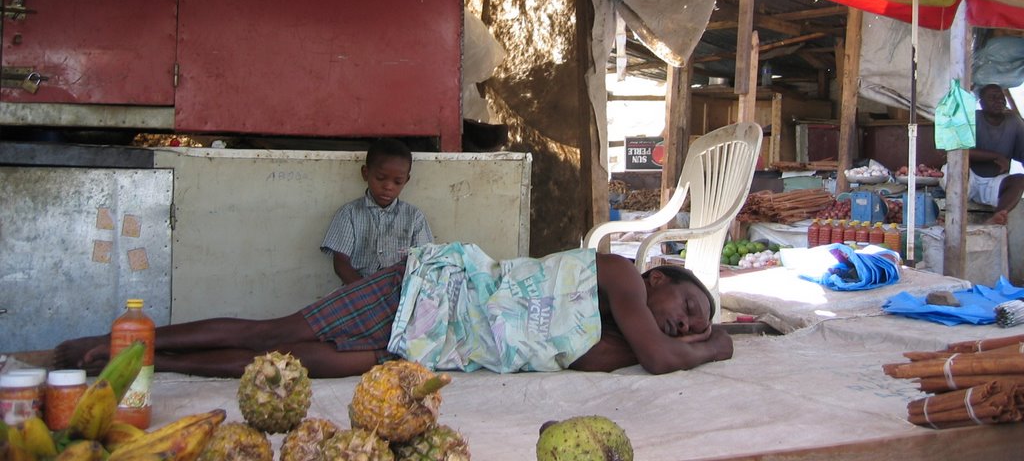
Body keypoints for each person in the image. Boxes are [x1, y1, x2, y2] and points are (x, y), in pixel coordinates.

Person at [55, 247, 732, 379]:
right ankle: (116, 337)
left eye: (700, 323)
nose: (690, 323)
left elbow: (654, 354)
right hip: (424, 293)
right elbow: (665, 357)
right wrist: (720, 345)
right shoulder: (616, 274)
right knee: (275, 332)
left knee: (280, 367)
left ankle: (154, 357)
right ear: (660, 273)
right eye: (692, 306)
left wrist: (697, 340)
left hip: (425, 349)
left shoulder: (604, 345)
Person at [321, 138, 433, 283]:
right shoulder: (349, 213)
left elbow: (424, 261)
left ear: (406, 180)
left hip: (401, 290)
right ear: (365, 173)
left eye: (397, 182)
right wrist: (365, 291)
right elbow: (341, 263)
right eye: (380, 178)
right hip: (358, 288)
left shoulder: (414, 217)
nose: (388, 186)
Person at [969, 84, 1024, 226]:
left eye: (1001, 97)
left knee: (1020, 181)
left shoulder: (1014, 122)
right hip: (969, 179)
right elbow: (961, 152)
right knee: (953, 170)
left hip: (996, 182)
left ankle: (997, 216)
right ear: (981, 103)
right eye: (993, 97)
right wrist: (996, 156)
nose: (999, 101)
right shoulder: (973, 118)